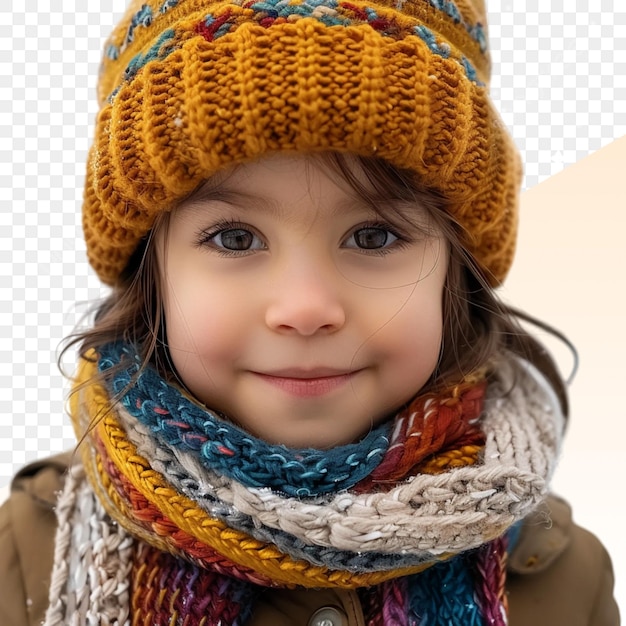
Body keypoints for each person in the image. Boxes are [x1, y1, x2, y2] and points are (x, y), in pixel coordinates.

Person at [0, 0, 619, 624]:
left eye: (373, 237)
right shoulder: (30, 549)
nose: (305, 309)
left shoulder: (559, 577)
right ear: (153, 273)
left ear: (456, 271)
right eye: (235, 238)